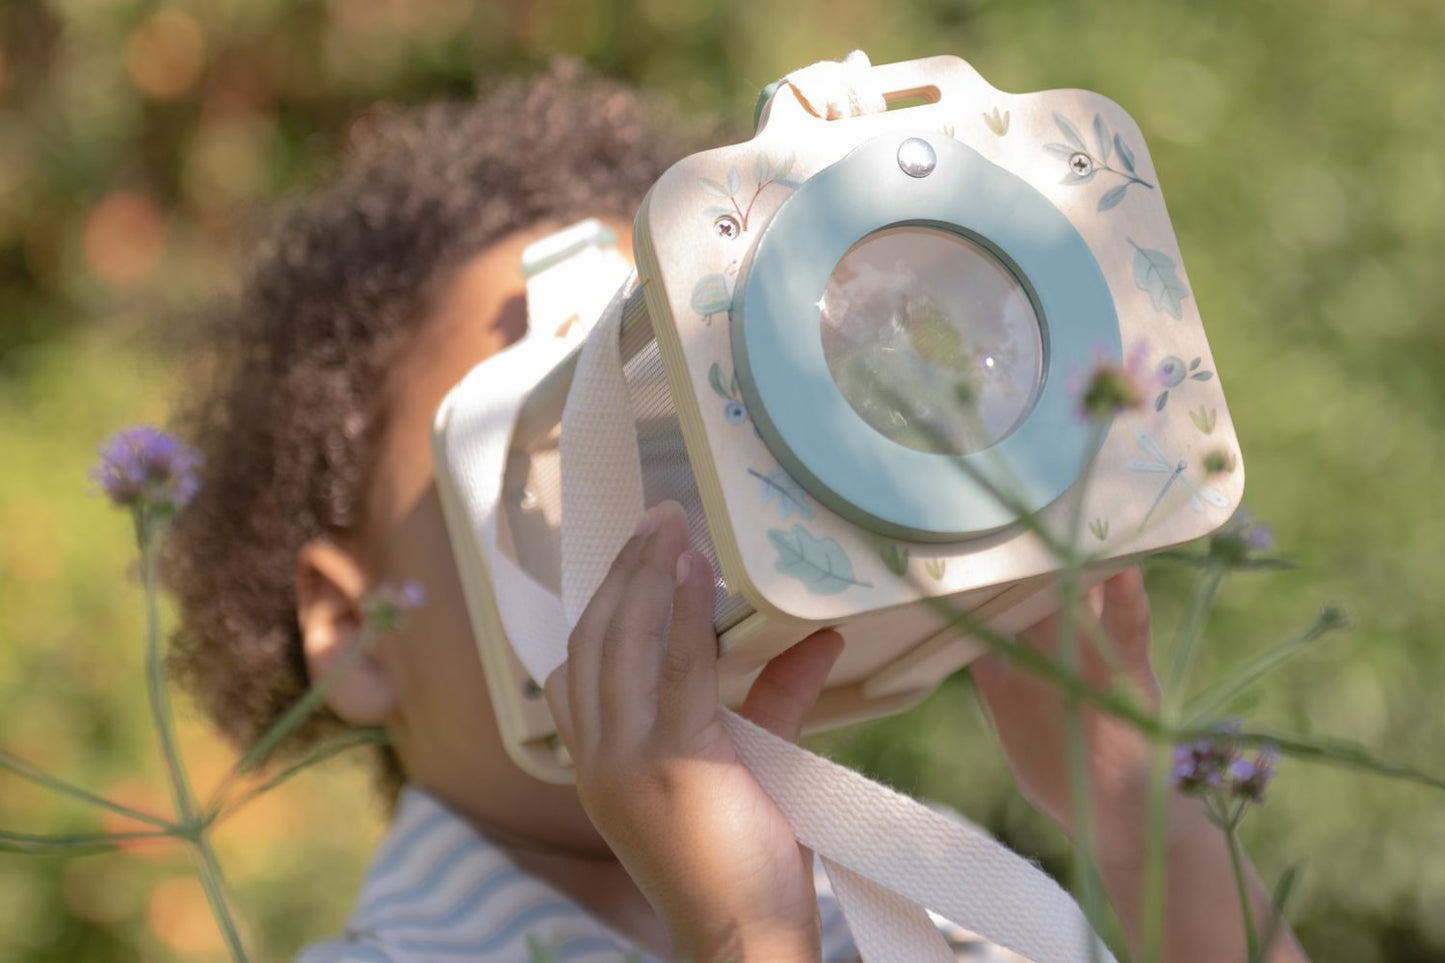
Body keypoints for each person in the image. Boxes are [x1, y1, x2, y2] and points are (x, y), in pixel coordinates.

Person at [165, 60, 1308, 962]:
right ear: (355, 630)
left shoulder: (946, 916)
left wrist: (1127, 802)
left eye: (684, 435)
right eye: (566, 461)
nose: (659, 520)